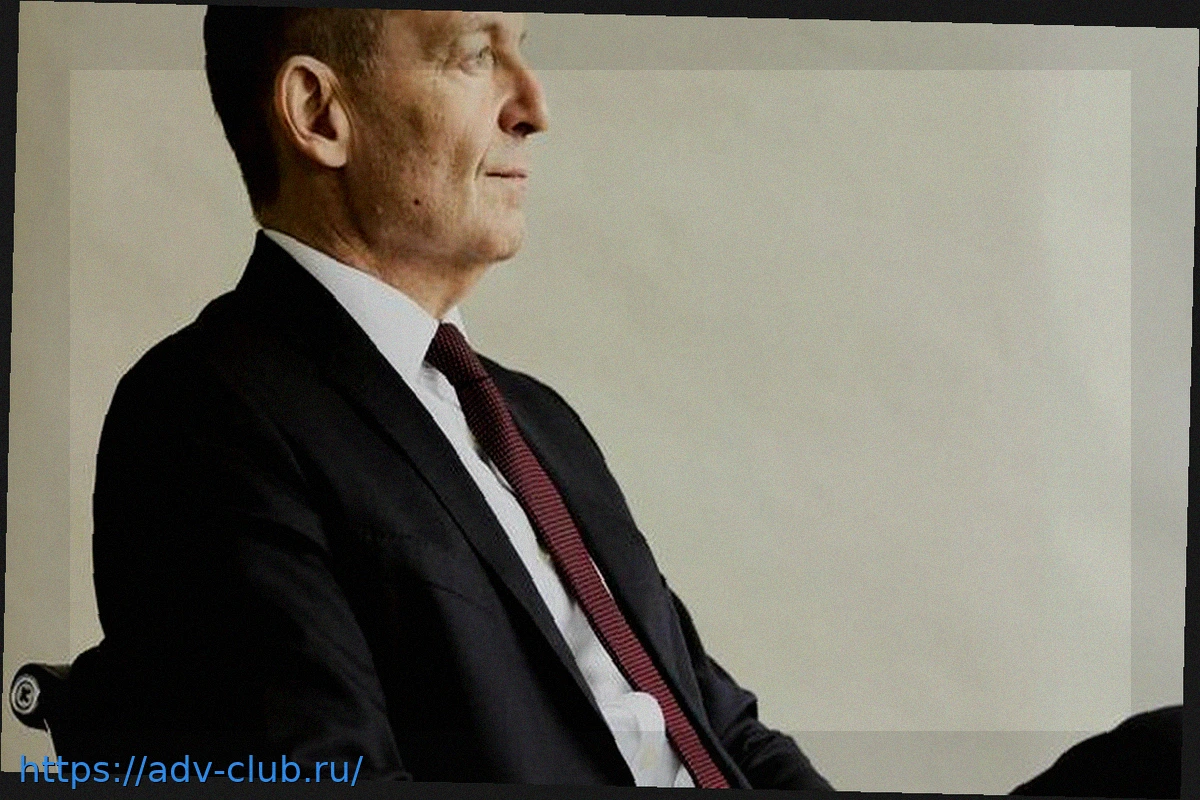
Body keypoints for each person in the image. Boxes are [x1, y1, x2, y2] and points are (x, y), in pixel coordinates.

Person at [77, 6, 832, 789]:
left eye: (520, 53)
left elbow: (719, 728)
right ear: (320, 113)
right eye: (474, 56)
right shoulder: (201, 415)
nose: (534, 108)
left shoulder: (539, 421)